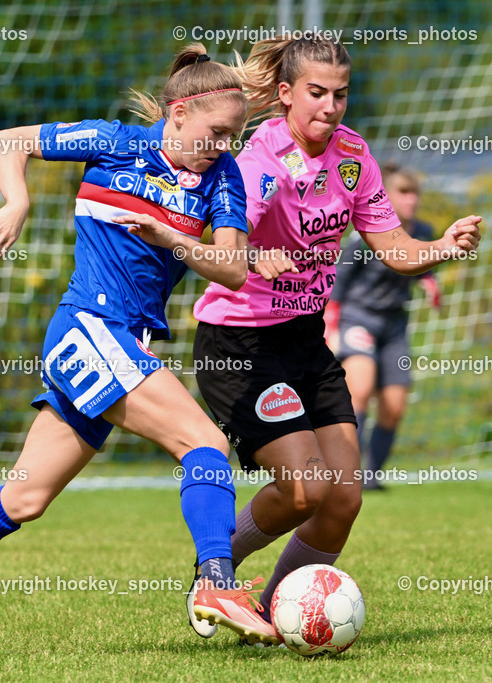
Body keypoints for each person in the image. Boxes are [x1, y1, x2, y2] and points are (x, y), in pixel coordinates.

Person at [0, 44, 283, 645]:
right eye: (217, 132)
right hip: (87, 328)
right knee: (205, 443)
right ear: (179, 111)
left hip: (122, 344)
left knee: (24, 499)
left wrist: (170, 237)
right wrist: (19, 200)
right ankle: (216, 581)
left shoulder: (223, 178)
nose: (224, 145)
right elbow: (9, 140)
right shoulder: (115, 143)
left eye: (234, 135)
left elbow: (233, 268)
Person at [189, 36, 481, 641]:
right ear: (285, 94)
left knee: (344, 498)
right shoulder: (258, 160)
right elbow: (215, 249)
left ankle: (272, 613)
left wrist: (441, 249)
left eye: (340, 94)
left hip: (304, 342)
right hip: (239, 343)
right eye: (317, 93)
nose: (330, 106)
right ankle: (213, 575)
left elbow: (393, 247)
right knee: (305, 488)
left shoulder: (352, 155)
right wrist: (251, 253)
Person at [325, 164, 439, 490]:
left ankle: (371, 477)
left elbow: (420, 263)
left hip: (394, 325)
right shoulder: (364, 236)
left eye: (415, 193)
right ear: (387, 197)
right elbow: (339, 281)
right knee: (358, 391)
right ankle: (349, 473)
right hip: (357, 317)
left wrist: (430, 282)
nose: (411, 200)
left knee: (394, 406)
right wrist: (329, 324)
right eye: (404, 192)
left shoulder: (425, 231)